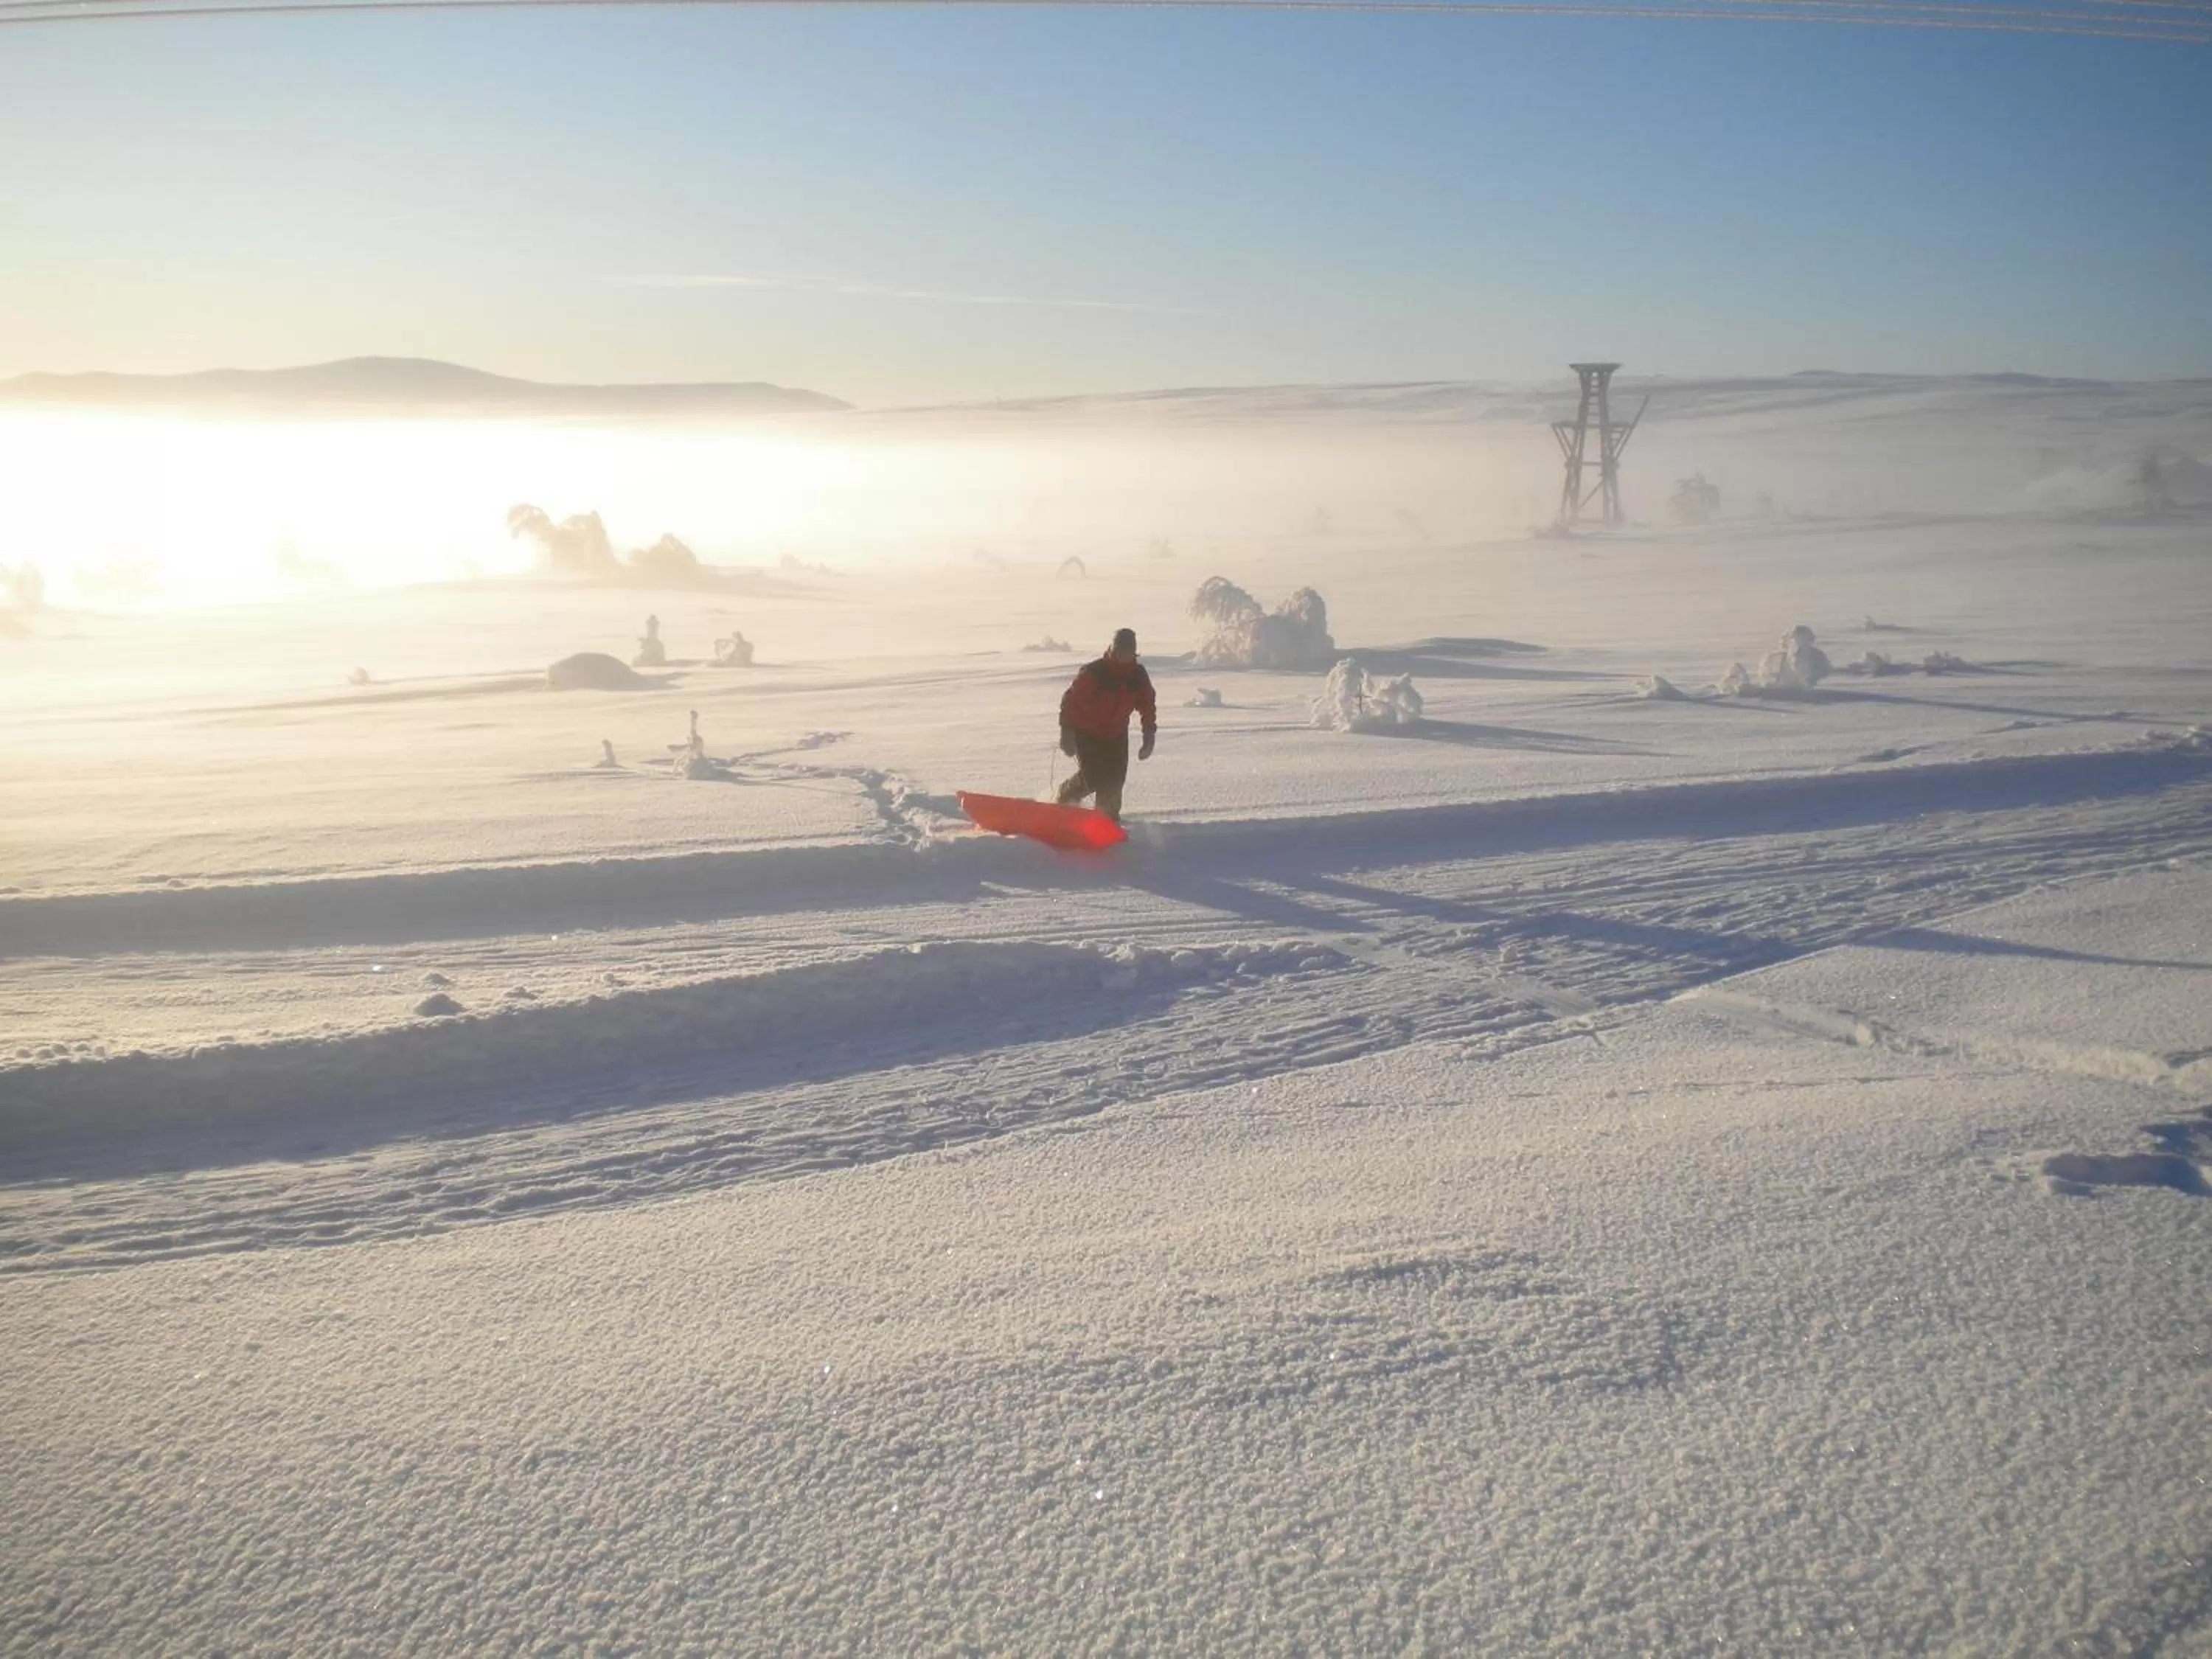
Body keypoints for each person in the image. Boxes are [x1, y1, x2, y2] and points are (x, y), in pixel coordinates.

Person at [1057, 626, 1157, 823]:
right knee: (1094, 777)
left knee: (1114, 782)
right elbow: (1070, 701)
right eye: (1121, 652)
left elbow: (1148, 706)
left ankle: (1106, 820)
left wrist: (1149, 736)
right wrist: (1066, 731)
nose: (1125, 656)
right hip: (1088, 732)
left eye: (1129, 652)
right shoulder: (1095, 672)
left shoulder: (1138, 676)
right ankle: (1065, 797)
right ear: (1113, 650)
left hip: (1116, 734)